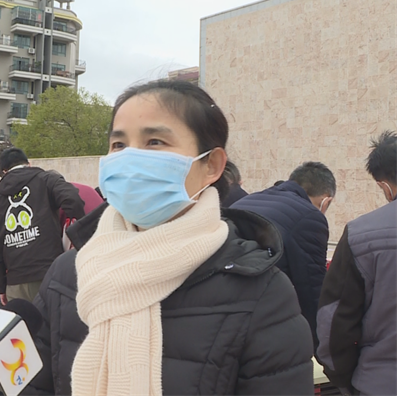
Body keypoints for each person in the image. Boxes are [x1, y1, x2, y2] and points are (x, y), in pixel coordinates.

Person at [25, 80, 314, 396]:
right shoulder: (68, 273)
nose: (130, 158)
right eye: (119, 145)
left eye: (155, 142)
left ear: (211, 165)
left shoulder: (261, 294)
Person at [317, 131, 397, 396]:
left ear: (385, 186)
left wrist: (346, 381)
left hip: (380, 382)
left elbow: (333, 323)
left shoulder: (361, 235)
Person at [231, 161, 336, 350]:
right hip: (261, 318)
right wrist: (321, 347)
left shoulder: (248, 200)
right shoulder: (310, 217)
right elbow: (311, 287)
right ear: (326, 201)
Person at [0, 147, 85, 305]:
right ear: (29, 164)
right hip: (49, 274)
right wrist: (78, 237)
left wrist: (1, 286)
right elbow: (73, 200)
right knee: (51, 320)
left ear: (4, 171)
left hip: (15, 281)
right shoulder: (47, 180)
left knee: (21, 321)